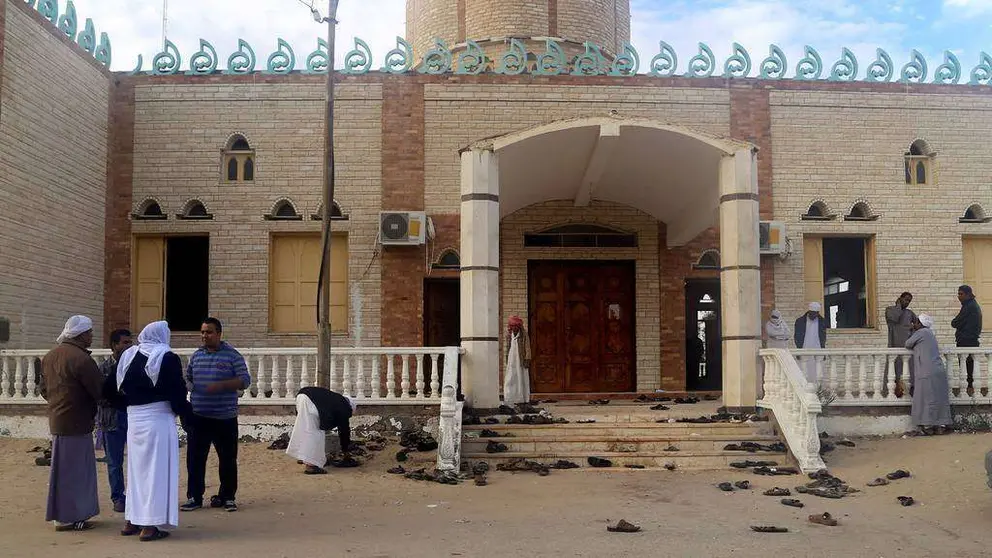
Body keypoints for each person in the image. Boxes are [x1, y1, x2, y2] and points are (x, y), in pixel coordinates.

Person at [107, 321, 191, 542]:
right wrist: (185, 414)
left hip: (135, 420)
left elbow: (108, 388)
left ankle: (132, 520)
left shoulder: (128, 356)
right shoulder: (167, 357)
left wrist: (129, 406)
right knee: (156, 472)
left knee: (137, 472)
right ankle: (150, 525)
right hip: (158, 419)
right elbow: (177, 392)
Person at [40, 315, 103, 532]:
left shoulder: (50, 356)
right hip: (77, 422)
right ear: (81, 334)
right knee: (75, 473)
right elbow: (98, 391)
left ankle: (64, 515)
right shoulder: (82, 360)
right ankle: (70, 516)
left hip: (58, 420)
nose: (91, 336)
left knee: (63, 470)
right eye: (90, 333)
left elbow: (43, 390)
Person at [181, 318, 251, 513]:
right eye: (203, 332)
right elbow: (188, 377)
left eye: (209, 332)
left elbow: (245, 380)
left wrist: (222, 385)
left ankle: (228, 497)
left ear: (219, 334)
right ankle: (194, 497)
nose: (205, 336)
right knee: (195, 460)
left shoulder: (232, 356)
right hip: (199, 417)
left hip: (225, 418)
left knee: (227, 459)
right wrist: (192, 388)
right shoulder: (196, 356)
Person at [97, 329, 133, 513]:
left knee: (137, 460)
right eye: (125, 342)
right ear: (114, 345)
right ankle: (118, 497)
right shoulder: (104, 368)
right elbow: (99, 396)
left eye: (130, 342)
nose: (129, 346)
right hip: (112, 419)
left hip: (134, 418)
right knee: (114, 461)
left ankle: (136, 496)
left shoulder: (136, 366)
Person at [286, 387, 357, 475]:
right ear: (351, 407)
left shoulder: (335, 399)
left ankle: (304, 457)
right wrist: (345, 450)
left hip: (301, 396)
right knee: (315, 433)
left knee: (304, 429)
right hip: (310, 400)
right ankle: (310, 466)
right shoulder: (344, 406)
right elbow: (344, 430)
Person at [905, 314, 952, 435]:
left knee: (926, 398)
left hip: (926, 371)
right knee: (939, 397)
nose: (913, 324)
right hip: (937, 369)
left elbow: (908, 344)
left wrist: (910, 331)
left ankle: (928, 425)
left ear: (920, 324)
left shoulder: (921, 332)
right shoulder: (930, 333)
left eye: (915, 322)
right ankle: (941, 425)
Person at [951, 285, 982, 390]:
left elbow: (955, 322)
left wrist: (955, 323)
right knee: (969, 369)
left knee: (967, 370)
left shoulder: (969, 306)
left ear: (968, 294)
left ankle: (969, 391)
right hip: (969, 341)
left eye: (961, 294)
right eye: (958, 294)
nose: (959, 296)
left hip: (967, 341)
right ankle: (969, 389)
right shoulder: (970, 305)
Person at [886, 292, 917, 395]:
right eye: (906, 299)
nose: (907, 302)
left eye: (909, 301)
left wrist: (912, 329)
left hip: (908, 347)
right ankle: (895, 391)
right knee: (895, 371)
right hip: (894, 344)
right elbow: (894, 318)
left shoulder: (909, 313)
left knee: (909, 370)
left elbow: (919, 325)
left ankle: (911, 390)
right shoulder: (890, 310)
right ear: (900, 298)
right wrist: (898, 305)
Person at [794, 302, 827, 383]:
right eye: (813, 313)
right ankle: (804, 385)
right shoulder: (800, 321)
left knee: (819, 369)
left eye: (816, 313)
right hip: (804, 346)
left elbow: (823, 336)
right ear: (809, 312)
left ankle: (818, 387)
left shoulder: (822, 321)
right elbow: (797, 336)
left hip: (818, 346)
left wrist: (823, 350)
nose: (814, 315)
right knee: (804, 369)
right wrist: (798, 350)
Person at [503, 316, 531, 405]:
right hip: (512, 360)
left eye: (516, 326)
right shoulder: (508, 335)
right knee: (510, 378)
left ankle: (522, 398)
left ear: (519, 327)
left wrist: (527, 359)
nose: (514, 328)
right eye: (512, 326)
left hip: (521, 360)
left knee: (521, 378)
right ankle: (509, 397)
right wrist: (507, 359)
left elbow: (527, 347)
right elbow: (507, 348)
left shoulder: (524, 335)